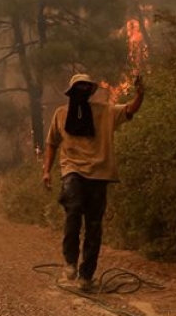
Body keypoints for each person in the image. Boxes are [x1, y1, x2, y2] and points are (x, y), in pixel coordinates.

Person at [42, 72, 145, 291]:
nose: (81, 92)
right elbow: (51, 143)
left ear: (90, 92)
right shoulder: (61, 114)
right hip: (72, 170)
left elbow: (130, 109)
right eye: (77, 89)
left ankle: (86, 276)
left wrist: (140, 93)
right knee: (73, 209)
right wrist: (46, 171)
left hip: (99, 172)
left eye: (85, 89)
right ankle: (70, 261)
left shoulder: (104, 112)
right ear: (71, 93)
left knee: (94, 226)